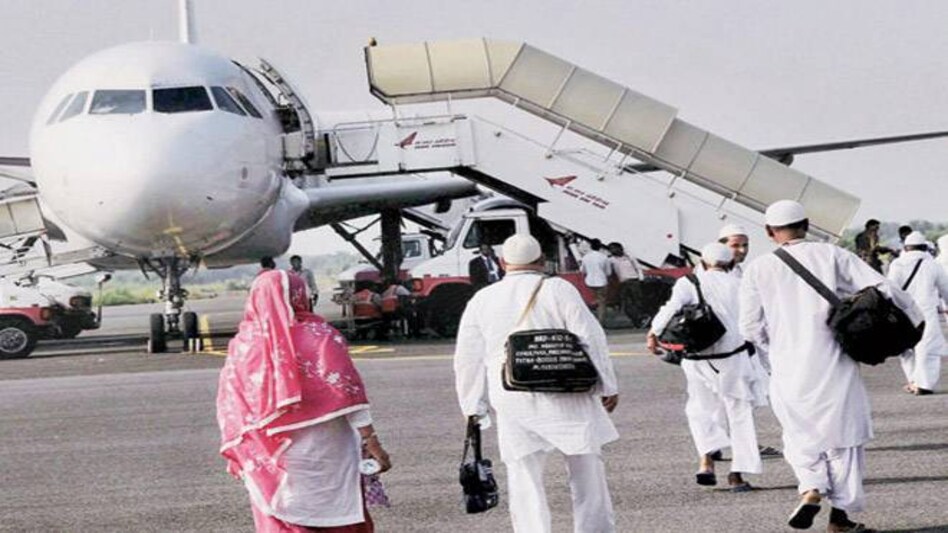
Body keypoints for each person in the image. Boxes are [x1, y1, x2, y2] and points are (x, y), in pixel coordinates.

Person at [739, 200, 921, 533]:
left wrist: (777, 346)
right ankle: (841, 518)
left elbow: (749, 326)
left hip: (787, 365)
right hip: (834, 359)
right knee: (845, 437)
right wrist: (909, 324)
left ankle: (811, 487)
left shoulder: (758, 268)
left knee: (798, 434)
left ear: (769, 232)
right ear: (806, 224)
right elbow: (884, 288)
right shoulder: (833, 255)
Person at [454, 234, 620, 533]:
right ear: (543, 261)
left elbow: (467, 356)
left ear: (503, 263)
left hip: (512, 395)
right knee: (587, 471)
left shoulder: (483, 298)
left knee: (523, 475)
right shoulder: (559, 288)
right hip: (566, 389)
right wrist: (607, 384)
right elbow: (590, 337)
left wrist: (472, 406)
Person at [216, 270, 391, 532]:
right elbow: (349, 395)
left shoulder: (242, 345)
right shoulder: (320, 336)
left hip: (271, 455)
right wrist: (371, 441)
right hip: (327, 451)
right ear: (301, 297)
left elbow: (231, 410)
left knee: (283, 517)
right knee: (335, 517)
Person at [647, 243, 766, 493]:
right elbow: (756, 321)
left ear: (703, 262)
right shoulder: (742, 284)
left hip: (697, 358)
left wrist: (654, 333)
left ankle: (706, 462)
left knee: (700, 410)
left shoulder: (690, 282)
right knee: (739, 414)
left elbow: (669, 309)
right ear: (730, 263)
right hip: (734, 358)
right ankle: (737, 475)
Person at [887, 231, 948, 395]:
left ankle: (913, 381)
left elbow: (891, 289)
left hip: (904, 312)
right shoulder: (933, 265)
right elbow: (945, 290)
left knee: (906, 349)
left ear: (906, 248)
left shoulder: (897, 264)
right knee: (928, 349)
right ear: (925, 248)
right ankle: (924, 384)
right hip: (926, 312)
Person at [580, 239, 613, 324]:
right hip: (601, 282)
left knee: (594, 301)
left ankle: (592, 320)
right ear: (600, 246)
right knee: (602, 302)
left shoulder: (585, 257)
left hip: (589, 282)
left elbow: (582, 271)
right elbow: (608, 272)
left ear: (590, 246)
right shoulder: (604, 257)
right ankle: (600, 321)